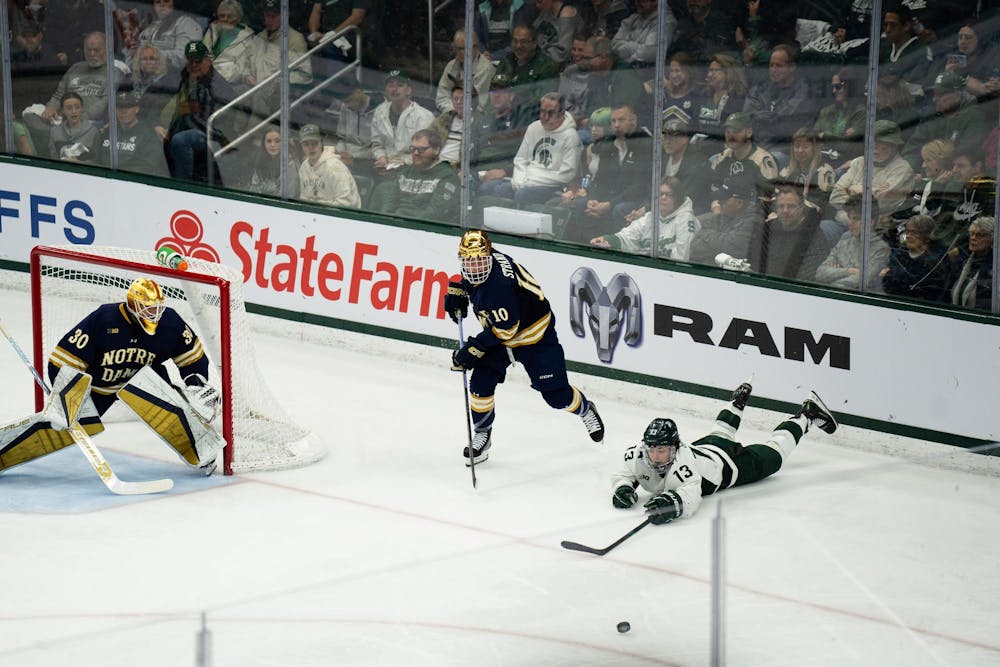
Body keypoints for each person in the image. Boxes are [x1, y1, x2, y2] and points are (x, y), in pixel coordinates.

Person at [0, 278, 223, 476]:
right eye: (147, 308)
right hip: (99, 388)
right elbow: (64, 360)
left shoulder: (170, 323)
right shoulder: (105, 319)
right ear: (133, 305)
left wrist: (195, 385)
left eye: (157, 308)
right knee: (60, 427)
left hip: (146, 384)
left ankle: (203, 452)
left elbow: (192, 358)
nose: (154, 314)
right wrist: (67, 396)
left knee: (173, 411)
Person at [443, 229, 605, 464]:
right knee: (479, 384)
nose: (474, 266)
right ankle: (482, 435)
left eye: (478, 260)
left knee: (556, 396)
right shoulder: (487, 260)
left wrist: (472, 350)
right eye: (468, 261)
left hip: (534, 338)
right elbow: (471, 281)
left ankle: (586, 409)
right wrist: (459, 289)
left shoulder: (498, 285)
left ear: (488, 256)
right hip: (501, 336)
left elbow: (506, 329)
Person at [610, 381, 837, 525]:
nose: (655, 455)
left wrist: (672, 504)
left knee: (774, 455)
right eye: (652, 449)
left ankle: (806, 415)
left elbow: (691, 494)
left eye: (662, 450)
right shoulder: (637, 455)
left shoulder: (683, 464)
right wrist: (623, 488)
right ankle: (735, 404)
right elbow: (625, 473)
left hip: (729, 465)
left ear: (674, 447)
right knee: (720, 432)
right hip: (706, 446)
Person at [160, 40, 238, 183]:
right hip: (195, 126)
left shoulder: (217, 87)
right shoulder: (186, 76)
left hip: (217, 135)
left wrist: (186, 116)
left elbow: (216, 124)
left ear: (208, 60)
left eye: (198, 61)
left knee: (180, 139)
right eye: (190, 61)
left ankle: (183, 184)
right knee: (165, 135)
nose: (194, 65)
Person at [489, 92, 582, 204]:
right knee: (500, 190)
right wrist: (519, 181)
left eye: (551, 113)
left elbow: (567, 174)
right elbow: (520, 159)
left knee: (523, 194)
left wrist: (532, 179)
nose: (545, 117)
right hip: (527, 181)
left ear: (561, 113)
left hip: (553, 186)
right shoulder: (533, 128)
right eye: (542, 111)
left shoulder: (571, 136)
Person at [590, 176, 701, 259]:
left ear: (678, 198)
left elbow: (682, 258)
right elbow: (627, 238)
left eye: (669, 194)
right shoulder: (649, 218)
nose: (663, 198)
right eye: (660, 193)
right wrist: (606, 240)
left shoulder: (686, 221)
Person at [370, 129, 461, 224]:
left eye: (421, 149)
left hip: (423, 230)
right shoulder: (405, 172)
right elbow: (390, 204)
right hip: (395, 226)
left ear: (436, 150)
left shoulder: (448, 176)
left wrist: (404, 226)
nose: (415, 153)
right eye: (413, 149)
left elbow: (435, 214)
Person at [748, 185, 833, 281]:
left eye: (791, 206)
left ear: (802, 208)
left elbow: (808, 276)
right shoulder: (769, 227)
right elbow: (754, 259)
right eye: (781, 206)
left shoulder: (814, 236)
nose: (785, 211)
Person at [815, 195, 891, 291]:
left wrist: (834, 275)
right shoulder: (843, 243)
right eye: (849, 218)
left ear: (870, 222)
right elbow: (820, 273)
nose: (850, 223)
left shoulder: (881, 249)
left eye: (856, 218)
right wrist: (849, 271)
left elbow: (862, 281)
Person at [370, 70, 436, 174]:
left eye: (400, 85)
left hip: (413, 169)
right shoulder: (379, 112)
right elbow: (377, 144)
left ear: (409, 90)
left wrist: (404, 161)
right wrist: (381, 158)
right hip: (385, 168)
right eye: (390, 85)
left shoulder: (424, 116)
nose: (394, 89)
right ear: (386, 90)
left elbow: (427, 152)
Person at [99, 90, 171, 178]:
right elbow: (96, 159)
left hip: (135, 180)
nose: (123, 111)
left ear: (136, 109)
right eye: (119, 107)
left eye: (127, 107)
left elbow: (148, 166)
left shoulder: (148, 134)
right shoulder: (108, 131)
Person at [880, 213, 951, 302]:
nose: (908, 236)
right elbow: (887, 286)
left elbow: (919, 285)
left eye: (914, 233)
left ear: (927, 236)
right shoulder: (901, 252)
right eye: (907, 232)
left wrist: (889, 274)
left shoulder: (937, 258)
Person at [130, 0, 205, 72]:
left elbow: (187, 56)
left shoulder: (187, 24)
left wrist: (152, 55)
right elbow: (134, 50)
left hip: (174, 79)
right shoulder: (151, 25)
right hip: (144, 77)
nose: (162, 5)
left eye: (166, 1)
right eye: (158, 2)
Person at [297, 124, 361, 208]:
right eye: (306, 144)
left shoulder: (335, 167)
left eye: (314, 143)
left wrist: (318, 208)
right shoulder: (304, 167)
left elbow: (346, 203)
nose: (310, 147)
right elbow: (304, 198)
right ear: (301, 146)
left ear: (321, 143)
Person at [201, 0, 256, 93]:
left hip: (231, 89)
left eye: (230, 16)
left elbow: (242, 71)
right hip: (205, 82)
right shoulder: (212, 30)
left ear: (238, 18)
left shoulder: (250, 40)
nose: (225, 19)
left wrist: (212, 68)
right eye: (222, 16)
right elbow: (202, 55)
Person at [436, 30, 496, 113]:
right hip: (453, 114)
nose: (460, 53)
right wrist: (454, 112)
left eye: (463, 49)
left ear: (476, 48)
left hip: (476, 118)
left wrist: (461, 113)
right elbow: (441, 97)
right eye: (457, 49)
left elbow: (481, 105)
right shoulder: (452, 65)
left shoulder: (486, 69)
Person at [239, 125, 300, 198]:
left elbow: (288, 197)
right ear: (263, 143)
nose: (272, 145)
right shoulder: (260, 160)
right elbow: (254, 189)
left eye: (277, 141)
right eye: (269, 141)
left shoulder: (291, 165)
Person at [949, 217, 994, 310]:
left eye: (979, 235)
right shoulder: (961, 260)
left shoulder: (995, 266)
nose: (973, 238)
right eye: (972, 234)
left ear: (992, 239)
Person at [47, 93, 100, 162]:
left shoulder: (93, 132)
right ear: (63, 110)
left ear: (82, 109)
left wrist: (80, 163)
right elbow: (53, 159)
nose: (74, 111)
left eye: (77, 107)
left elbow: (97, 161)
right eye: (69, 108)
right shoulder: (55, 131)